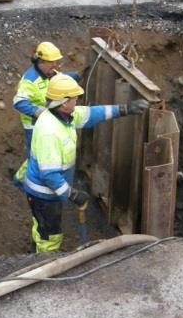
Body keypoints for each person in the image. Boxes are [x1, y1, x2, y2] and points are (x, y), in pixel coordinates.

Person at [23, 73, 149, 253]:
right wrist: (72, 194)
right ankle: (44, 265)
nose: (77, 100)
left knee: (41, 225)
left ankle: (36, 245)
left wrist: (124, 109)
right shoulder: (49, 131)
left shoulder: (64, 115)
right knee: (51, 235)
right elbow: (49, 175)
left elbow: (91, 114)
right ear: (64, 102)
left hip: (45, 193)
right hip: (43, 194)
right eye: (74, 98)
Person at [12, 41, 78, 185]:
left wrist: (73, 77)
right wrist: (37, 112)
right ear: (40, 61)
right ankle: (19, 180)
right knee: (34, 157)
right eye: (51, 62)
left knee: (38, 155)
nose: (55, 65)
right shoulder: (29, 81)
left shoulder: (49, 73)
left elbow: (58, 80)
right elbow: (19, 102)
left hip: (46, 122)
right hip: (33, 126)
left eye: (55, 62)